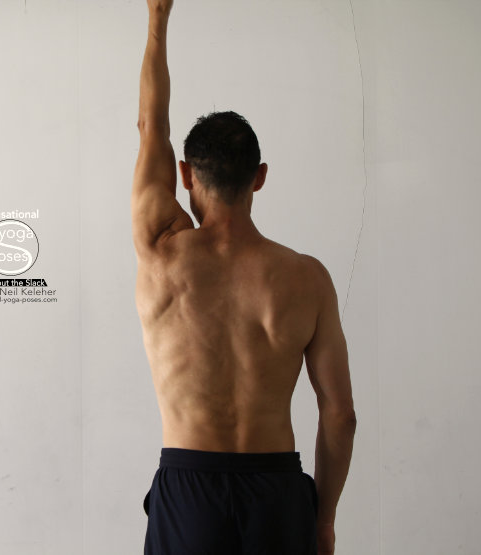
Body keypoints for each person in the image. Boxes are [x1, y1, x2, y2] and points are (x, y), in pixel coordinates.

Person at [131, 1, 356, 553]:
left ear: (185, 174)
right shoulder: (307, 279)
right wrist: (323, 520)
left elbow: (150, 126)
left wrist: (158, 19)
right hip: (277, 493)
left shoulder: (161, 251)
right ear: (259, 178)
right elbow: (340, 416)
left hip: (188, 492)